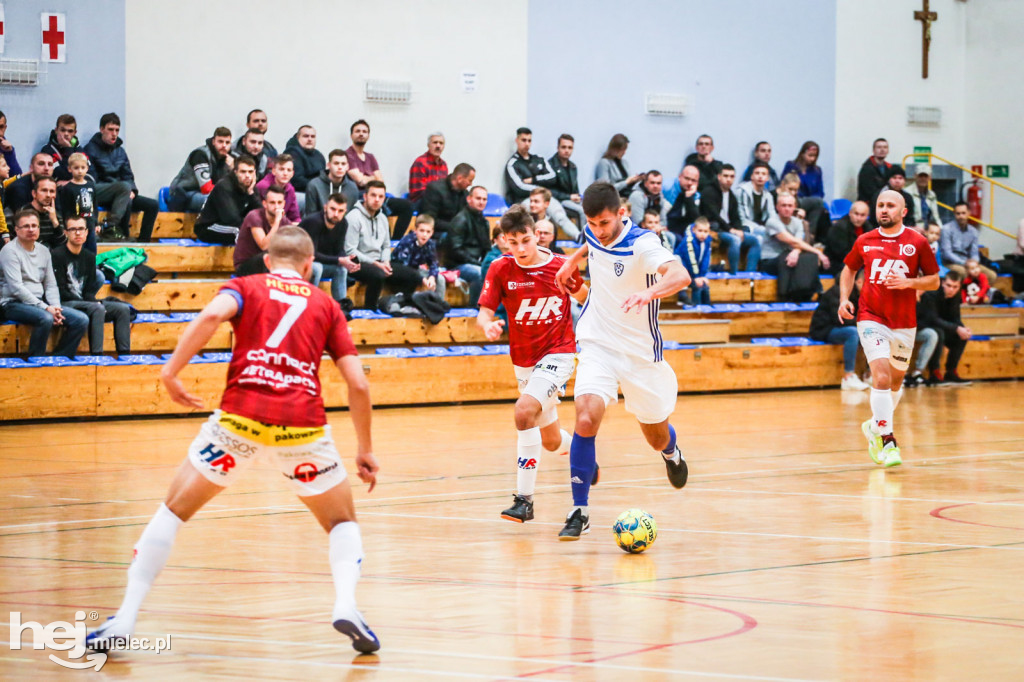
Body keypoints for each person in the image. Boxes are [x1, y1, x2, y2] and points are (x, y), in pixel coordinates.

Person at [84, 226, 381, 655]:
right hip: (302, 426)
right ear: (308, 264)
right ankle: (347, 604)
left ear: (267, 260)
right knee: (341, 523)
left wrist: (170, 372)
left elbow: (208, 316)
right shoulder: (326, 304)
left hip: (239, 419)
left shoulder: (247, 286)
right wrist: (365, 448)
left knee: (172, 511)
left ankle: (126, 617)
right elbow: (358, 385)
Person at [552, 181, 691, 539]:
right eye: (592, 222)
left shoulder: (643, 244)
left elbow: (680, 275)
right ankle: (579, 510)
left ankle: (671, 452)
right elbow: (591, 242)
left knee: (655, 436)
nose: (598, 229)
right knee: (585, 415)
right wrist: (572, 260)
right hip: (598, 342)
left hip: (640, 355)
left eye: (604, 223)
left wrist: (648, 291)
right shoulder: (594, 228)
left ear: (622, 214)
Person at [477, 205, 588, 523]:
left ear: (536, 235)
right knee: (551, 441)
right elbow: (484, 312)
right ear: (504, 242)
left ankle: (524, 501)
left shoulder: (559, 266)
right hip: (524, 362)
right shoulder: (500, 269)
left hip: (559, 353)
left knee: (523, 412)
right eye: (513, 243)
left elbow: (586, 298)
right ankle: (584, 455)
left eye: (525, 240)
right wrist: (487, 325)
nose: (521, 249)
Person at [838, 190, 940, 468]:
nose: (884, 210)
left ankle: (874, 426)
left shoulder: (917, 242)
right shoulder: (865, 240)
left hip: (904, 323)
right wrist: (844, 299)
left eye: (890, 205)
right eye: (880, 205)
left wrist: (909, 283)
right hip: (871, 317)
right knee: (880, 379)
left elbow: (934, 281)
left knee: (895, 382)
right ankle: (887, 441)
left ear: (903, 211)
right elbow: (848, 269)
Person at [0, 208, 89, 357]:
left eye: (34, 226)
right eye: (26, 226)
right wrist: (46, 308)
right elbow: (16, 288)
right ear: (16, 230)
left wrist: (56, 307)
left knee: (81, 320)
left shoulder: (44, 251)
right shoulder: (9, 251)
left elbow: (50, 284)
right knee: (45, 318)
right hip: (12, 303)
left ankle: (59, 358)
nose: (31, 229)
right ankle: (36, 360)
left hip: (40, 303)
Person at [51, 215, 132, 355]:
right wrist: (94, 304)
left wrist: (94, 302)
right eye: (73, 229)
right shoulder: (57, 255)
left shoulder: (89, 257)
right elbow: (60, 291)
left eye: (81, 229)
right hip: (64, 303)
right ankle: (97, 356)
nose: (78, 233)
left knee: (122, 309)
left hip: (85, 303)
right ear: (66, 233)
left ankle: (125, 356)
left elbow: (88, 291)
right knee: (97, 308)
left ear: (87, 232)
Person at [345, 180, 422, 310]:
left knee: (413, 275)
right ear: (365, 196)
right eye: (373, 195)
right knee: (378, 275)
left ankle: (399, 303)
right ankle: (371, 310)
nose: (376, 200)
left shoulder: (382, 218)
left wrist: (386, 261)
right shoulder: (353, 217)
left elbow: (386, 245)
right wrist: (376, 264)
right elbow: (350, 250)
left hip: (379, 262)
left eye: (380, 196)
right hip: (357, 263)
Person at [83, 113, 159, 242]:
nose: (114, 134)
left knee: (152, 205)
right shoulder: (90, 149)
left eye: (117, 130)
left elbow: (128, 175)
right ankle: (113, 227)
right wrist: (123, 189)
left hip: (122, 191)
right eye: (110, 129)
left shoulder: (120, 151)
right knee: (124, 190)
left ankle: (144, 242)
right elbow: (91, 178)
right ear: (102, 129)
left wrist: (133, 191)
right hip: (101, 191)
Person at [505, 127, 579, 240]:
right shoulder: (512, 163)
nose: (527, 144)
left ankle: (578, 236)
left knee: (560, 216)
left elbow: (552, 177)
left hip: (543, 198)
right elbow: (518, 187)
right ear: (517, 141)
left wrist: (533, 180)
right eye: (523, 140)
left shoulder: (538, 159)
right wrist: (540, 188)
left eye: (529, 140)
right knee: (521, 218)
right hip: (524, 199)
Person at [345, 120, 414, 239]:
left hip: (377, 194)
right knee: (378, 208)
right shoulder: (348, 155)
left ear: (368, 135)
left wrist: (368, 178)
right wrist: (372, 178)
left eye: (364, 131)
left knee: (407, 206)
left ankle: (395, 241)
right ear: (351, 135)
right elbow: (360, 181)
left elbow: (380, 182)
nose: (361, 134)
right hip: (359, 197)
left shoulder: (370, 157)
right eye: (358, 131)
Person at [908, 270, 972, 387]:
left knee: (961, 336)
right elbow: (933, 319)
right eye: (948, 286)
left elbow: (955, 317)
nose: (951, 289)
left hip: (940, 325)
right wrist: (956, 328)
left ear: (959, 287)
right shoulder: (931, 293)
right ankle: (934, 372)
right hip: (929, 325)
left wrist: (962, 329)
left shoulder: (956, 297)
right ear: (943, 283)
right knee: (938, 333)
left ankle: (951, 372)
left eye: (955, 287)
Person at [809, 268, 869, 390]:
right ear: (858, 282)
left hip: (839, 327)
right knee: (853, 333)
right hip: (824, 330)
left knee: (873, 332)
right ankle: (849, 376)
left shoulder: (859, 295)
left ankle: (870, 373)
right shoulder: (838, 292)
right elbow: (841, 319)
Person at [301, 193, 359, 308]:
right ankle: (309, 305)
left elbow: (339, 250)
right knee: (317, 268)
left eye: (340, 211)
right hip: (299, 262)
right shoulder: (314, 222)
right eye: (333, 209)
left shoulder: (343, 223)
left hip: (319, 261)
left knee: (341, 269)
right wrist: (340, 259)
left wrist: (348, 261)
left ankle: (341, 308)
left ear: (345, 211)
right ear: (325, 207)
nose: (336, 214)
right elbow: (312, 254)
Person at [760, 194, 829, 287]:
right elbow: (793, 242)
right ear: (777, 207)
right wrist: (818, 252)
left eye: (790, 206)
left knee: (810, 258)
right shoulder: (772, 222)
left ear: (795, 207)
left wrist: (796, 252)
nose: (787, 209)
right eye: (783, 205)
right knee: (788, 261)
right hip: (770, 259)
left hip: (789, 255)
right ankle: (785, 293)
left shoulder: (798, 222)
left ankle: (811, 291)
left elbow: (798, 242)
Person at [702, 164, 760, 273]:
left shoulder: (731, 195)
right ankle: (734, 274)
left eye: (732, 176)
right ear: (719, 176)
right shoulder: (709, 192)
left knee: (755, 240)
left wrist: (739, 230)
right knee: (735, 240)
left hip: (729, 228)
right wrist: (731, 230)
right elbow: (715, 216)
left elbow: (735, 217)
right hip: (715, 229)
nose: (729, 179)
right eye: (726, 176)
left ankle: (749, 274)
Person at [193, 156, 261, 245]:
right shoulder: (224, 187)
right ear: (235, 172)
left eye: (250, 172)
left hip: (231, 224)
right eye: (243, 172)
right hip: (209, 227)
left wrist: (251, 193)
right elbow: (231, 218)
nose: (247, 176)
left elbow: (260, 213)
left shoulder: (251, 188)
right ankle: (244, 258)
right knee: (240, 232)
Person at [443, 185, 491, 305]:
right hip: (458, 265)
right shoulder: (460, 220)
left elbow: (487, 248)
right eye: (478, 198)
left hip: (476, 262)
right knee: (480, 273)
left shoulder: (484, 222)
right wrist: (479, 264)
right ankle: (476, 308)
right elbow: (456, 251)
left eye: (484, 199)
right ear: (469, 199)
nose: (481, 202)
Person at [234, 184, 294, 276]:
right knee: (267, 257)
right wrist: (277, 222)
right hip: (246, 266)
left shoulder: (285, 221)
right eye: (272, 203)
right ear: (265, 203)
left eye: (279, 202)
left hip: (270, 263)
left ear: (284, 204)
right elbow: (264, 246)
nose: (276, 206)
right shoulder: (254, 216)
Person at [169, 127, 234, 212]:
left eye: (227, 142)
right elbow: (206, 188)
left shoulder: (229, 159)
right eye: (220, 141)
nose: (224, 145)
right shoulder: (200, 155)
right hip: (185, 193)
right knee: (216, 201)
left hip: (208, 193)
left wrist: (233, 168)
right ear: (213, 141)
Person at [781, 141, 829, 242]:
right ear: (802, 153)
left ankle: (813, 237)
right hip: (795, 198)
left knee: (821, 208)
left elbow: (820, 191)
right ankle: (810, 236)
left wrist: (811, 200)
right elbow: (785, 184)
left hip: (810, 200)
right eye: (810, 155)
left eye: (815, 156)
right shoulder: (791, 166)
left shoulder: (817, 170)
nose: (812, 159)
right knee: (818, 203)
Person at [940, 202, 998, 281]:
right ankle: (965, 293)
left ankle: (980, 293)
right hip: (950, 263)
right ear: (954, 214)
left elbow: (974, 253)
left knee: (992, 275)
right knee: (964, 273)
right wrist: (964, 263)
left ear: (969, 213)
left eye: (963, 213)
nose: (961, 216)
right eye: (958, 214)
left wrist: (974, 265)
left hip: (969, 264)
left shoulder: (973, 231)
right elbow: (947, 253)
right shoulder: (946, 229)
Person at [392, 214, 444, 299]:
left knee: (440, 279)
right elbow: (405, 267)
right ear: (416, 230)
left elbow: (434, 263)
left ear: (432, 233)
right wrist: (422, 278)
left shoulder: (430, 244)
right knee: (413, 278)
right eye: (421, 231)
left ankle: (437, 305)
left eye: (428, 232)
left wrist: (432, 277)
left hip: (415, 270)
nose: (424, 234)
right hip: (399, 271)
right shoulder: (407, 241)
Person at [420, 163, 475, 239]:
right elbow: (429, 219)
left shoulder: (465, 194)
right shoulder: (435, 189)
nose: (471, 184)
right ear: (459, 178)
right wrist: (455, 227)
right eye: (470, 180)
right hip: (436, 233)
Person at [56, 153, 98, 250]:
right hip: (75, 227)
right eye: (76, 168)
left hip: (90, 226)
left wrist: (96, 223)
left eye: (83, 167)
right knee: (78, 250)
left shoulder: (91, 185)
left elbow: (94, 205)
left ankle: (92, 265)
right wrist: (67, 225)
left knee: (91, 249)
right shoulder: (67, 188)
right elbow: (65, 208)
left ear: (87, 168)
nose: (80, 171)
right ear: (70, 169)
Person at [305, 149, 360, 217]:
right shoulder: (314, 185)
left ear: (347, 167)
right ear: (329, 165)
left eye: (343, 164)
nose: (340, 167)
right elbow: (310, 216)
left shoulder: (352, 188)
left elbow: (352, 216)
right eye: (336, 163)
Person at [545, 133, 584, 228]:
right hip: (559, 200)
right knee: (582, 211)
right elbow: (548, 191)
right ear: (558, 148)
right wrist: (569, 197)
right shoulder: (549, 165)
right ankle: (584, 238)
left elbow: (575, 188)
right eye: (564, 147)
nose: (567, 150)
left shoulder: (573, 166)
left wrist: (578, 197)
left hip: (572, 200)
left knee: (593, 207)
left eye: (570, 148)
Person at [824, 200, 871, 276]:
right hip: (837, 264)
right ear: (850, 213)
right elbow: (843, 254)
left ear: (867, 216)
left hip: (859, 262)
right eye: (856, 214)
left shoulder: (868, 227)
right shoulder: (839, 228)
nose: (858, 218)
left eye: (862, 215)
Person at [734, 161, 778, 238]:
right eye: (757, 173)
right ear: (752, 176)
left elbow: (772, 215)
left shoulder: (768, 196)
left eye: (763, 174)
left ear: (767, 178)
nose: (760, 176)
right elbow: (742, 218)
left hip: (761, 228)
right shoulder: (742, 191)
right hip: (745, 227)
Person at [676, 216, 713, 306]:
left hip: (695, 272)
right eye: (700, 231)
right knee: (697, 286)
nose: (703, 234)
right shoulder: (689, 241)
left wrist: (702, 275)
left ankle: (708, 311)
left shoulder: (707, 242)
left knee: (705, 286)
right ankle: (696, 309)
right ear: (694, 230)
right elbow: (690, 260)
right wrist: (696, 277)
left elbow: (706, 259)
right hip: (684, 271)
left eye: (705, 231)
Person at [255, 153, 301, 224]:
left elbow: (295, 217)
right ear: (274, 171)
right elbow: (259, 215)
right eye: (281, 169)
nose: (285, 173)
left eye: (289, 170)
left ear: (292, 173)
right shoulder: (263, 186)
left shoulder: (290, 189)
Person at [41, 114, 85, 183]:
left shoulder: (78, 148)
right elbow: (63, 175)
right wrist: (68, 149)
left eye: (70, 131)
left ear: (75, 133)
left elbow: (90, 172)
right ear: (56, 130)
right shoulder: (47, 150)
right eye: (63, 130)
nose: (66, 134)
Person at [284, 125, 326, 196]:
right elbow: (297, 181)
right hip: (298, 193)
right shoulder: (292, 153)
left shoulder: (319, 155)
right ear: (298, 138)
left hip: (316, 191)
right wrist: (319, 186)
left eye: (313, 137)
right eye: (306, 136)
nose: (310, 139)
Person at [408, 132, 448, 204]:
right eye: (435, 142)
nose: (438, 146)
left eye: (441, 143)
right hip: (421, 201)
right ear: (428, 145)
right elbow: (418, 191)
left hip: (438, 200)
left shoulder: (443, 164)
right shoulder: (420, 162)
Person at [665, 165, 701, 239]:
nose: (689, 183)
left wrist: (689, 197)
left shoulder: (696, 195)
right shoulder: (667, 187)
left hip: (681, 230)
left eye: (693, 180)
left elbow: (696, 219)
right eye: (687, 178)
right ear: (680, 176)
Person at [29, 176, 65, 250]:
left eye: (52, 191)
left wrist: (55, 221)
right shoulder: (23, 214)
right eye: (44, 190)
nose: (48, 195)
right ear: (34, 193)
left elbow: (63, 247)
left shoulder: (56, 216)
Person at [857, 138, 893, 203]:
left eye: (885, 147)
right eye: (879, 147)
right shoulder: (866, 169)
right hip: (869, 205)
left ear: (888, 150)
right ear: (873, 150)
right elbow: (870, 192)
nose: (882, 150)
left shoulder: (889, 168)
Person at [0, 110, 23, 178]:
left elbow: (17, 178)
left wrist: (9, 153)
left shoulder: (6, 147)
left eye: (1, 127)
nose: (0, 133)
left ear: (5, 128)